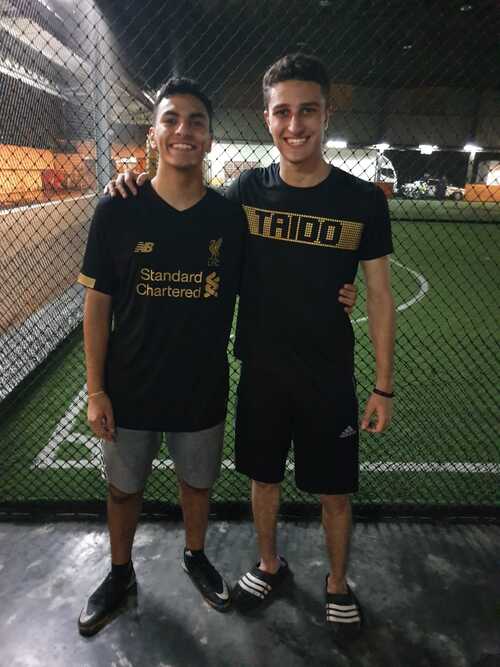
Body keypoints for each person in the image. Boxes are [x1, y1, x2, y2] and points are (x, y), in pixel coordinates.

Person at [107, 53, 392, 644]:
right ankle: (268, 565)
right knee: (263, 479)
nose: (295, 125)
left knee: (335, 492)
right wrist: (128, 181)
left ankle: (338, 584)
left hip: (328, 374)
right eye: (283, 112)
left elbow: (381, 295)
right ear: (266, 118)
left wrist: (383, 384)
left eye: (307, 111)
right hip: (261, 370)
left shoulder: (362, 200)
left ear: (326, 113)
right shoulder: (244, 192)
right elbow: (188, 210)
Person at [76, 77, 248, 636]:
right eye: (171, 119)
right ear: (153, 134)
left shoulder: (228, 219)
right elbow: (97, 305)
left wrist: (337, 292)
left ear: (210, 138)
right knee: (123, 487)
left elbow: (269, 285)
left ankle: (195, 556)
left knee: (197, 483)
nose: (183, 130)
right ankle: (120, 573)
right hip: (130, 385)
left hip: (200, 384)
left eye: (196, 121)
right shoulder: (117, 209)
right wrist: (96, 389)